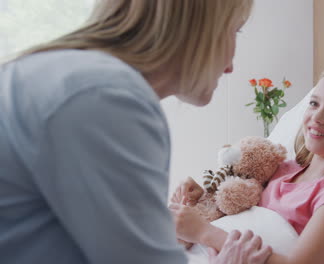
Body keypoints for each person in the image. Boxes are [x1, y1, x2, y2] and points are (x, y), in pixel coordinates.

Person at [0, 0, 273, 263]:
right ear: (198, 28)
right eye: (234, 31)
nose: (230, 66)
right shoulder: (105, 97)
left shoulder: (62, 73)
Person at [170, 64, 324, 264]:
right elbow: (242, 213)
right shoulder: (282, 169)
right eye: (314, 104)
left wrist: (203, 232)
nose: (316, 117)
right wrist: (203, 200)